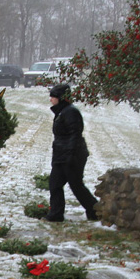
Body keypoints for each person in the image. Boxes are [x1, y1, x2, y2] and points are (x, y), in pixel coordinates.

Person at [47, 83, 98, 222]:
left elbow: (74, 134)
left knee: (76, 185)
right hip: (61, 155)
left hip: (72, 155)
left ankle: (95, 209)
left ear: (61, 98)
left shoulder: (70, 112)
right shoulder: (62, 111)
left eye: (53, 96)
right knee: (55, 184)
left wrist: (70, 155)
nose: (51, 99)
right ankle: (56, 214)